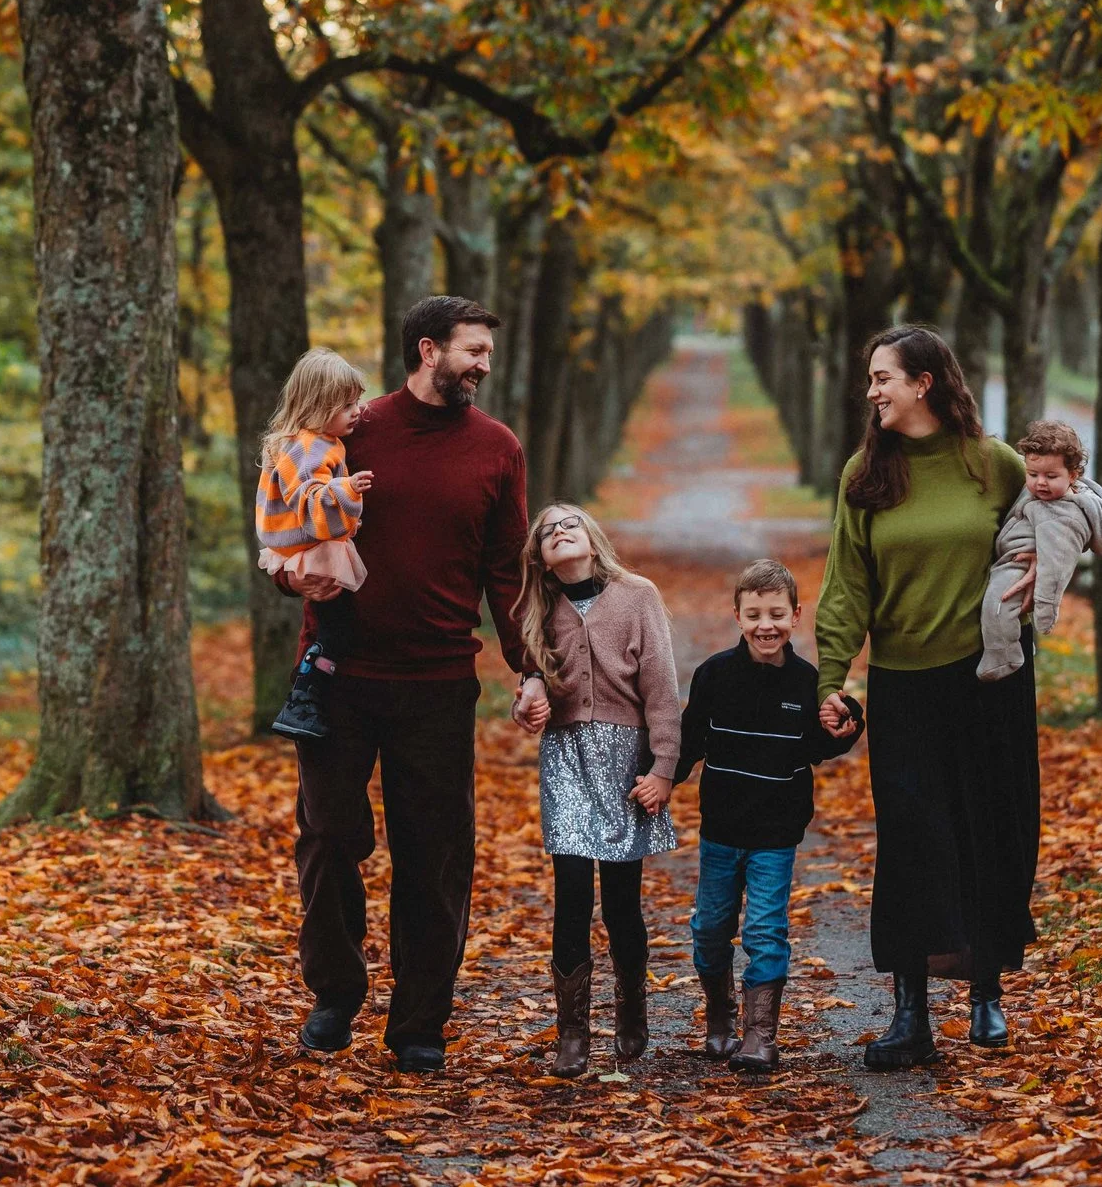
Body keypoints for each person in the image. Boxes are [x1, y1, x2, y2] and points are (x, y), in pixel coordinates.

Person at [285, 296, 530, 1074]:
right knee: (329, 837)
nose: (485, 364)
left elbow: (506, 569)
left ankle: (420, 1021)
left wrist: (532, 668)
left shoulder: (497, 448)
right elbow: (290, 521)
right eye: (474, 350)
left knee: (434, 854)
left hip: (437, 683)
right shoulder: (353, 429)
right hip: (338, 673)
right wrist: (292, 581)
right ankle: (335, 992)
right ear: (428, 349)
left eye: (489, 351)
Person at [813, 325, 1036, 1069]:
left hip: (988, 682)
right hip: (903, 683)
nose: (872, 390)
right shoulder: (865, 476)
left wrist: (1042, 579)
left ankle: (988, 996)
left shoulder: (991, 464)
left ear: (925, 383)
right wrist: (833, 676)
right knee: (912, 839)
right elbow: (847, 584)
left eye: (883, 376)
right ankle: (910, 1014)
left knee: (987, 828)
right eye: (871, 378)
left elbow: (1058, 524)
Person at [509, 505, 682, 1076]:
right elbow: (530, 680)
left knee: (622, 902)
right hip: (565, 756)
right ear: (538, 555)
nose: (560, 531)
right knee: (572, 895)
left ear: (592, 537)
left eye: (571, 523)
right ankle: (573, 1032)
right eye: (547, 529)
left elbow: (661, 689)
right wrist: (527, 698)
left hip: (625, 759)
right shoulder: (538, 607)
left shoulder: (637, 595)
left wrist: (663, 768)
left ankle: (632, 1007)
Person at [674, 557, 864, 1075]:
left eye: (777, 614)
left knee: (764, 929)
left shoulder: (807, 683)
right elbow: (690, 741)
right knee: (710, 930)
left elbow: (820, 745)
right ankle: (720, 1010)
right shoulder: (713, 675)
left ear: (796, 616)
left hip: (776, 835)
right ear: (737, 615)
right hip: (720, 831)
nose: (766, 625)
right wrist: (660, 779)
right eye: (755, 613)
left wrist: (846, 723)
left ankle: (761, 1035)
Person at [256, 349, 376, 742]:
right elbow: (309, 498)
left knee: (336, 626)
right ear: (316, 406)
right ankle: (303, 698)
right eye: (346, 405)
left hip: (305, 547)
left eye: (357, 401)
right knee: (337, 628)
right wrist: (347, 487)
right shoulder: (308, 447)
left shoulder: (322, 441)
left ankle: (307, 698)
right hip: (311, 548)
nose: (357, 411)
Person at [978, 419, 1102, 682]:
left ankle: (1004, 657)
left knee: (996, 605)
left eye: (1051, 476)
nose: (1040, 483)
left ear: (1073, 475)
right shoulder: (1043, 495)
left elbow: (1054, 570)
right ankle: (1018, 647)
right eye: (1033, 474)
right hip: (1011, 556)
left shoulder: (1060, 516)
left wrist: (1045, 614)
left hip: (1019, 565)